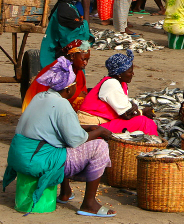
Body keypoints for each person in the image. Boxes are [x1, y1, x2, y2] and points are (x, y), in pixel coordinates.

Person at [3, 58, 116, 217]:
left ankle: (65, 192)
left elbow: (51, 127)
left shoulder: (40, 97)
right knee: (99, 146)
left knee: (58, 141)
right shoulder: (62, 105)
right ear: (68, 89)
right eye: (75, 85)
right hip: (37, 160)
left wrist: (87, 128)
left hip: (20, 155)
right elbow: (75, 140)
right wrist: (99, 132)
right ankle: (89, 203)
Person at [78, 50, 158, 134]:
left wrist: (135, 108)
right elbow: (127, 115)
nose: (132, 74)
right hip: (91, 125)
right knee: (144, 122)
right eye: (130, 72)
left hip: (103, 122)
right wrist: (142, 112)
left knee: (144, 121)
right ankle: (154, 145)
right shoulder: (111, 84)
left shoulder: (122, 83)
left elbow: (127, 109)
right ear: (119, 74)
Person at [40, 0, 93, 69]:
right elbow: (84, 34)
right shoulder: (65, 9)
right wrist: (86, 9)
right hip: (62, 56)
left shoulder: (67, 5)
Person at [23, 39, 90, 113]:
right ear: (72, 56)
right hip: (40, 108)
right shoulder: (59, 69)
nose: (85, 63)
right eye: (83, 59)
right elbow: (60, 94)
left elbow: (81, 89)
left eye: (87, 60)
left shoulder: (77, 70)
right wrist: (78, 94)